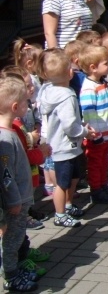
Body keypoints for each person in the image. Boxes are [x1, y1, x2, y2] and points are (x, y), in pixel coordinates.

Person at [36, 49, 97, 229]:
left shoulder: (48, 90)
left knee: (74, 177)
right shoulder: (66, 96)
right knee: (62, 184)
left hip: (66, 145)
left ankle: (68, 205)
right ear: (70, 72)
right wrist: (84, 132)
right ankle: (60, 215)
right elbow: (70, 125)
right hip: (64, 146)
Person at [0, 75, 38, 292]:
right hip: (16, 201)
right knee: (12, 241)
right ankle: (11, 276)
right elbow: (6, 176)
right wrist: (14, 201)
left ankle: (15, 269)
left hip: (21, 198)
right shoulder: (5, 139)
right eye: (25, 102)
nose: (28, 105)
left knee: (17, 238)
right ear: (15, 107)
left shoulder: (10, 133)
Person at [78, 44, 108, 205]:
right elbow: (89, 115)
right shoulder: (89, 89)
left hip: (105, 134)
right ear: (93, 67)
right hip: (97, 136)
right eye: (106, 63)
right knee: (95, 164)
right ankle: (96, 190)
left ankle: (103, 186)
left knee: (103, 162)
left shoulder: (101, 83)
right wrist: (96, 135)